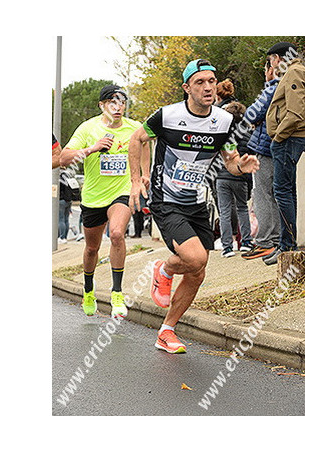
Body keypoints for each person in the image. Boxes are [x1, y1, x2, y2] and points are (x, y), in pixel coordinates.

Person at [128, 59, 259, 353]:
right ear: (187, 88)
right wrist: (136, 180)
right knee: (195, 257)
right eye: (200, 82)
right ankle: (163, 269)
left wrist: (241, 166)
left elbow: (230, 161)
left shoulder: (224, 121)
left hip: (197, 202)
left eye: (212, 81)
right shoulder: (167, 116)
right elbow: (137, 139)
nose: (208, 87)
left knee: (197, 272)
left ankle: (167, 330)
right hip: (166, 199)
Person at [60, 85, 150, 317]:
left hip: (121, 192)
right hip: (93, 197)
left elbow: (145, 142)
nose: (118, 107)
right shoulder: (88, 128)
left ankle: (116, 293)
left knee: (117, 234)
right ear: (102, 105)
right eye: (112, 102)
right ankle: (88, 290)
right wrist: (92, 148)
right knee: (92, 248)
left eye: (122, 103)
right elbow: (64, 158)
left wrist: (144, 174)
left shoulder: (134, 127)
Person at [264, 42, 305, 265]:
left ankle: (287, 246)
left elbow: (296, 112)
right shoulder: (295, 71)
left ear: (278, 58)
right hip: (289, 139)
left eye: (271, 60)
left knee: (282, 190)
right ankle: (286, 244)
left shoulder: (294, 72)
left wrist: (278, 137)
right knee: (287, 191)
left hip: (289, 139)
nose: (271, 65)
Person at [242, 58, 281, 260]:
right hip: (279, 147)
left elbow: (251, 114)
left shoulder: (273, 87)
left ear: (271, 69)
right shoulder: (290, 86)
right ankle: (276, 240)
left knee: (262, 195)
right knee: (276, 195)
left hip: (265, 149)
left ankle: (265, 241)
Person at [215, 101, 255, 257]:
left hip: (221, 176)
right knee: (242, 208)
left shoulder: (222, 133)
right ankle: (246, 242)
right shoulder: (248, 134)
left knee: (224, 211)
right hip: (241, 177)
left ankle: (227, 247)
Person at [58, 167, 80, 244]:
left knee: (60, 219)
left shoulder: (59, 177)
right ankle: (65, 237)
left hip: (61, 199)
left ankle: (61, 237)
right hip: (68, 200)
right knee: (66, 219)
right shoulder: (68, 176)